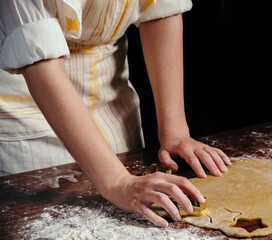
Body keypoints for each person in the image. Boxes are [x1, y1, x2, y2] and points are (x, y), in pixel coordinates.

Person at [0, 0, 231, 227]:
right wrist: (117, 181)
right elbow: (40, 62)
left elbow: (160, 10)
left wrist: (175, 131)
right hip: (29, 113)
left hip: (112, 103)